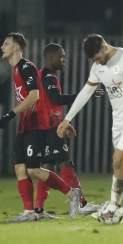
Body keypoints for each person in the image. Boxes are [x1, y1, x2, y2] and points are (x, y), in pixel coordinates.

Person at [56, 34, 123, 224]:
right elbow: (86, 92)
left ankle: (112, 208)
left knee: (117, 160)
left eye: (98, 58)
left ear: (105, 48)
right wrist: (67, 118)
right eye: (94, 60)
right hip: (118, 121)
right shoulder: (98, 67)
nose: (97, 62)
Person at [0, 32, 81, 222]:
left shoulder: (26, 67)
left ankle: (71, 193)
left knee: (33, 170)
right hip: (25, 125)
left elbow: (35, 96)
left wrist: (9, 115)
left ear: (16, 47)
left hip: (34, 126)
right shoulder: (15, 70)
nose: (2, 47)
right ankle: (29, 213)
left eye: (6, 43)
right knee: (20, 168)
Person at [34, 43, 104, 219]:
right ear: (51, 58)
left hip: (45, 127)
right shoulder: (48, 77)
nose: (64, 59)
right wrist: (84, 94)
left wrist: (63, 122)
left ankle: (39, 210)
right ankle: (82, 205)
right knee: (65, 164)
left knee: (47, 168)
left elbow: (48, 104)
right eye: (61, 56)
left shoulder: (45, 76)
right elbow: (56, 99)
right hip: (50, 129)